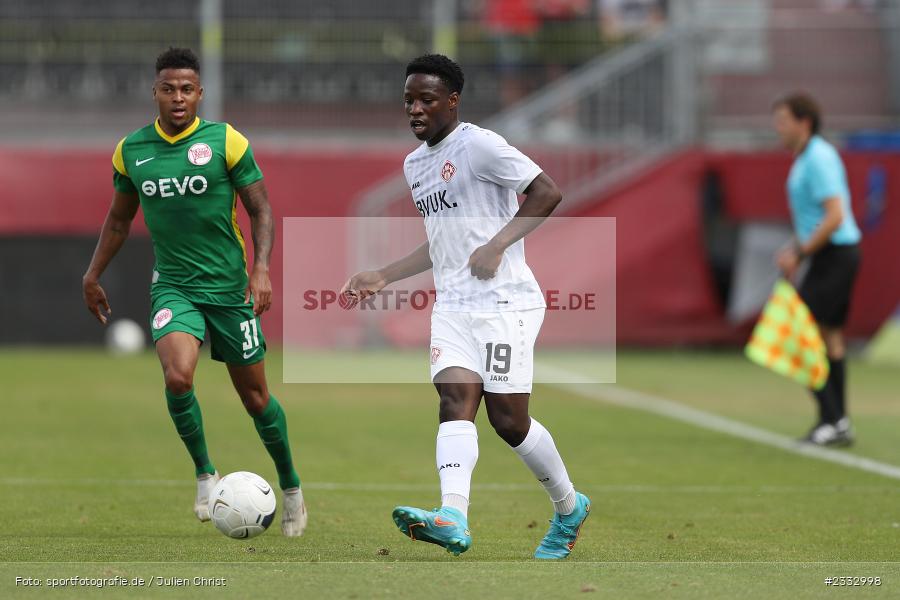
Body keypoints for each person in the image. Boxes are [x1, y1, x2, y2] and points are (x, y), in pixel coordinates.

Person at [341, 54, 590, 559]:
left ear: (452, 101)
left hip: (505, 302)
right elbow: (442, 242)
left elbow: (547, 192)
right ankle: (452, 515)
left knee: (509, 421)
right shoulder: (415, 164)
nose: (415, 109)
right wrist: (384, 275)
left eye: (426, 100)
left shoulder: (479, 145)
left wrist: (498, 245)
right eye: (409, 100)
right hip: (453, 304)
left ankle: (569, 507)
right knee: (454, 401)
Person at [82, 47, 307, 535]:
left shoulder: (226, 141)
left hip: (229, 290)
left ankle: (291, 487)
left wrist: (261, 270)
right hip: (174, 286)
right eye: (169, 89)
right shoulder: (131, 150)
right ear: (155, 92)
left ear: (200, 93)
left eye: (187, 89)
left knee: (256, 400)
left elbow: (261, 210)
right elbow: (119, 220)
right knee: (178, 377)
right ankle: (206, 474)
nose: (178, 97)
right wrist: (92, 273)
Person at [773, 92, 862, 446]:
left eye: (783, 121)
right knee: (830, 338)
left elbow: (835, 215)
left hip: (836, 254)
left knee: (797, 333)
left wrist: (800, 253)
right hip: (829, 255)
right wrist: (796, 249)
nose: (778, 128)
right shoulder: (806, 157)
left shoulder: (819, 157)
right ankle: (838, 422)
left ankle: (833, 418)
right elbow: (811, 217)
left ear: (804, 122)